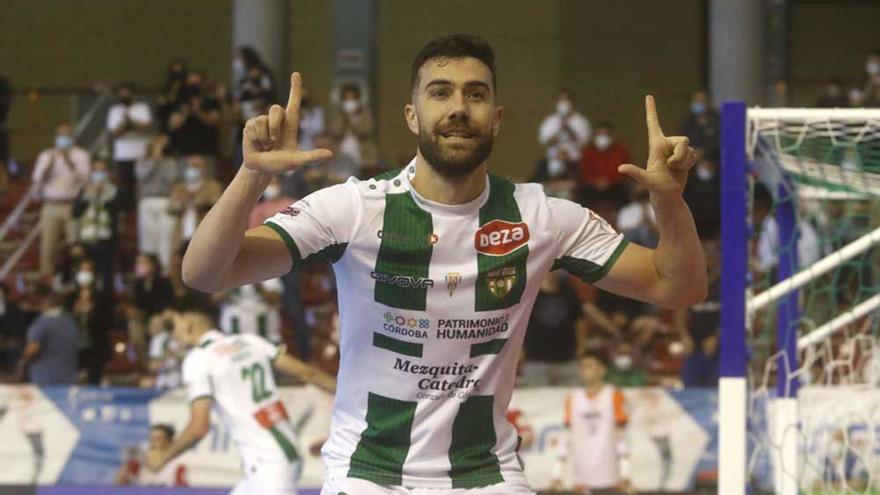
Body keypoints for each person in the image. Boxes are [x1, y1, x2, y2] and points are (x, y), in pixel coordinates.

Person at [181, 34, 706, 494]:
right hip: (366, 473)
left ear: (496, 118)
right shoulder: (353, 208)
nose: (459, 107)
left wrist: (669, 202)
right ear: (412, 115)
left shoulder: (543, 218)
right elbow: (205, 274)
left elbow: (677, 287)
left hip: (487, 474)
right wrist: (250, 174)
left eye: (475, 94)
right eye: (440, 92)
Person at [145, 304, 336, 494]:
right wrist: (351, 394)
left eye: (174, 327)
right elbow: (308, 373)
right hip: (282, 456)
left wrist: (163, 457)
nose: (173, 335)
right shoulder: (251, 341)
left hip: (268, 466)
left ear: (190, 324)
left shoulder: (199, 359)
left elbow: (199, 427)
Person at [557, 353, 629, 494]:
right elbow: (566, 435)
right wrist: (557, 472)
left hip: (610, 476)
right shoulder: (573, 397)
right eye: (582, 367)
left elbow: (622, 436)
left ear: (602, 370)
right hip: (582, 477)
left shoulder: (614, 395)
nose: (584, 370)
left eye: (589, 366)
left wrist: (626, 473)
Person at [31, 124, 91, 276]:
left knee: (76, 246)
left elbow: (85, 180)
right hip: (51, 205)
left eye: (67, 135)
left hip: (72, 205)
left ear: (73, 137)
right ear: (56, 138)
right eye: (60, 136)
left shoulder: (81, 155)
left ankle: (78, 278)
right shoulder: (46, 155)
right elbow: (37, 179)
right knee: (47, 247)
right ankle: (46, 278)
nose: (63, 139)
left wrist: (69, 161)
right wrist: (50, 165)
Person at [520, 271, 584, 386]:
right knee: (536, 401)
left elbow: (580, 321)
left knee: (570, 398)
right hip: (535, 359)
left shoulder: (569, 292)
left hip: (567, 359)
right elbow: (519, 324)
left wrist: (581, 346)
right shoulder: (528, 293)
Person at [15, 284, 79, 385]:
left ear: (42, 301)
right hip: (68, 377)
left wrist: (22, 363)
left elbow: (32, 349)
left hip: (45, 378)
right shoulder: (70, 322)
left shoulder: (43, 323)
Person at [136, 134, 181, 272]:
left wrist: (161, 158)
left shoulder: (170, 162)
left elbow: (172, 179)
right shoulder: (142, 162)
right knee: (148, 239)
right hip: (147, 201)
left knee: (166, 237)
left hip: (165, 200)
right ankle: (148, 269)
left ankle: (165, 270)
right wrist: (155, 158)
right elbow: (142, 175)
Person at [106, 81, 153, 213]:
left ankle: (139, 211)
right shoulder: (115, 110)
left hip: (141, 154)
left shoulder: (142, 108)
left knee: (141, 185)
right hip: (122, 155)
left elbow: (146, 127)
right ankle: (126, 212)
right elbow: (113, 133)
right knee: (124, 187)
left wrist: (130, 122)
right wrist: (127, 125)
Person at [72, 159, 119, 290]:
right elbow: (76, 213)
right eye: (96, 171)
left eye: (102, 171)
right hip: (86, 239)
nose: (99, 174)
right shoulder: (84, 191)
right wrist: (90, 195)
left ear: (107, 173)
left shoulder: (114, 191)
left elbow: (118, 210)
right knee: (84, 273)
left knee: (105, 276)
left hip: (106, 240)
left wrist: (104, 194)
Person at [116, 424, 188, 486]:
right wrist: (126, 467)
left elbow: (183, 490)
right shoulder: (140, 461)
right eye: (151, 439)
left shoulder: (177, 465)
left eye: (158, 439)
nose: (153, 443)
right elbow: (119, 484)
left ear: (169, 442)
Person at [579, 121, 631, 203]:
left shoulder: (621, 151)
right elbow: (585, 172)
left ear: (612, 136)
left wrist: (609, 181)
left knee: (622, 192)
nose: (602, 137)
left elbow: (624, 171)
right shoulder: (588, 152)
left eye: (606, 134)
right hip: (592, 186)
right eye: (600, 134)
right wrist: (595, 182)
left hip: (614, 186)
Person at [539, 90, 591, 170]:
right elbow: (546, 142)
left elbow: (584, 144)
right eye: (560, 100)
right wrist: (560, 129)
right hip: (553, 160)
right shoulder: (550, 121)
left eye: (566, 100)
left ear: (572, 102)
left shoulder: (581, 121)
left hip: (575, 161)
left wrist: (568, 129)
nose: (563, 103)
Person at [328, 83, 378, 166]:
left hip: (361, 150)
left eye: (352, 98)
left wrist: (353, 119)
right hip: (341, 149)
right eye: (347, 98)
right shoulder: (337, 113)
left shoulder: (365, 113)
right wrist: (344, 118)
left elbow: (367, 131)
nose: (350, 101)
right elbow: (334, 132)